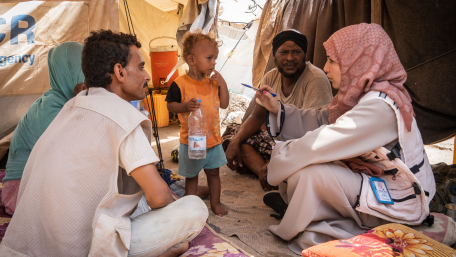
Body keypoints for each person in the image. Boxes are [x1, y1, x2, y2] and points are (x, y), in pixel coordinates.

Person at [0, 30, 208, 257]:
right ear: (119, 72)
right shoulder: (123, 116)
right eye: (140, 67)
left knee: (133, 194)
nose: (147, 75)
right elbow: (158, 196)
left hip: (23, 247)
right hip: (79, 249)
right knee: (193, 207)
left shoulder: (72, 105)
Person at [255, 23, 436, 254]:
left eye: (332, 60)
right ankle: (307, 214)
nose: (325, 67)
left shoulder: (380, 107)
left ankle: (308, 223)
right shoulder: (363, 96)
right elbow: (322, 120)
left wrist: (280, 155)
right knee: (305, 166)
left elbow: (326, 139)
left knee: (310, 173)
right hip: (377, 179)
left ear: (357, 61)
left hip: (400, 197)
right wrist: (278, 108)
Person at [223, 29, 333, 191]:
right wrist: (235, 141)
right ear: (274, 55)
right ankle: (271, 176)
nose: (290, 58)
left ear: (305, 55)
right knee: (233, 135)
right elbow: (257, 116)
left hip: (302, 146)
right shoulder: (270, 77)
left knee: (309, 165)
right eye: (283, 52)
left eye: (296, 52)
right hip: (277, 141)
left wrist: (281, 156)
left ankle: (276, 175)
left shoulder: (315, 79)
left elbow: (316, 133)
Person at [1, 41, 86, 216]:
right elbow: (75, 152)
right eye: (82, 70)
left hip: (37, 185)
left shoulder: (63, 100)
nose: (87, 79)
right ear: (67, 72)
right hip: (21, 192)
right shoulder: (51, 108)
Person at [165, 30, 229, 216]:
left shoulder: (214, 83)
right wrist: (185, 105)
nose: (214, 63)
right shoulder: (180, 84)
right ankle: (190, 206)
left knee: (214, 174)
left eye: (215, 59)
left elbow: (224, 104)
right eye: (209, 58)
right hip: (192, 140)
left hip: (213, 141)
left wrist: (223, 85)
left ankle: (215, 203)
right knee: (191, 176)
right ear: (191, 60)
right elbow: (171, 106)